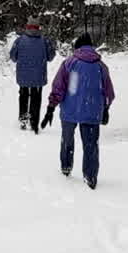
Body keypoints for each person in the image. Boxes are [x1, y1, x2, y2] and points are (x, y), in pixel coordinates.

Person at [41, 32, 115, 189]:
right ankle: (90, 177)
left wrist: (51, 107)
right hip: (92, 111)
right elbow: (109, 92)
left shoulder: (69, 63)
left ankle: (66, 167)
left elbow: (58, 87)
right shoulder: (101, 66)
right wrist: (105, 108)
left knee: (67, 140)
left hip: (70, 109)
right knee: (90, 145)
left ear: (77, 47)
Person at [8, 17, 55, 133]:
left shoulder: (19, 41)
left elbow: (13, 57)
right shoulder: (44, 41)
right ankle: (34, 124)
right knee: (36, 98)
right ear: (39, 27)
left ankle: (23, 120)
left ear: (27, 27)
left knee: (23, 96)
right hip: (38, 76)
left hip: (23, 76)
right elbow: (51, 57)